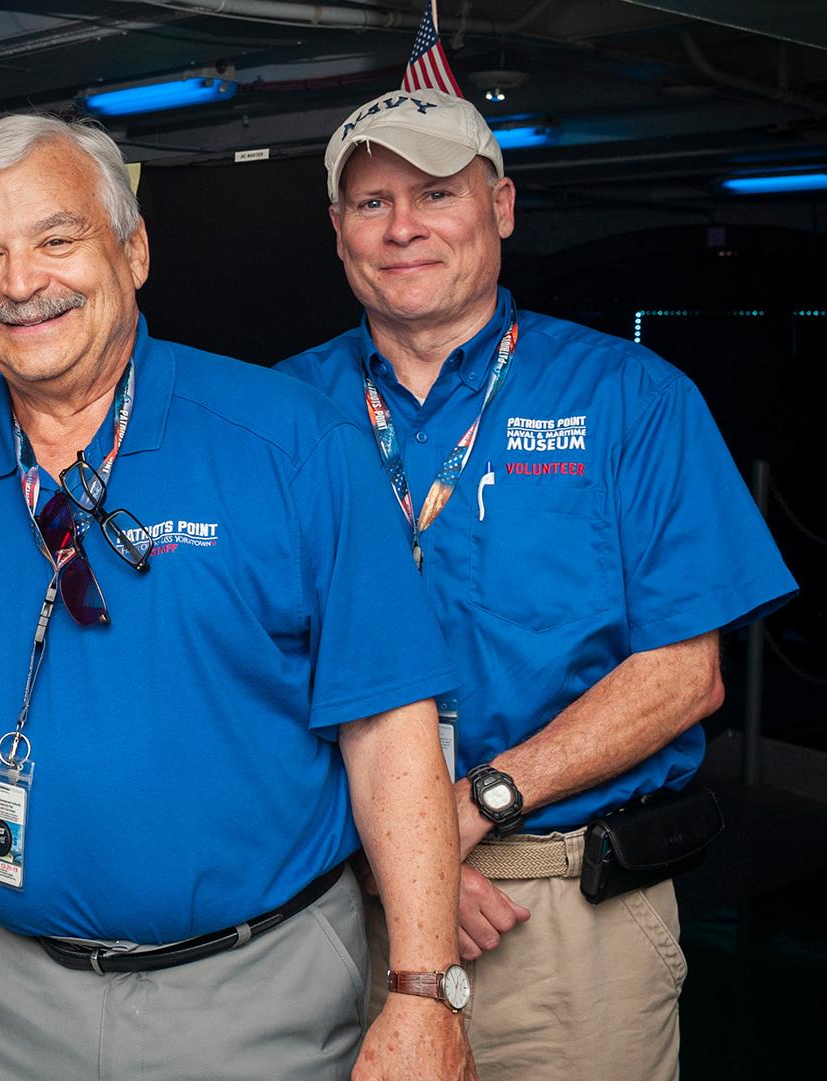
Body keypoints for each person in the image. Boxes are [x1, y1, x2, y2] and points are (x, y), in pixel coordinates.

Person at [0, 113, 475, 1081]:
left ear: (131, 250)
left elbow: (389, 732)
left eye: (56, 240)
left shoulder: (295, 446)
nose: (20, 283)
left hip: (255, 1002)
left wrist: (424, 989)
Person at [277, 87, 797, 1080]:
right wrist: (390, 854)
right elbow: (242, 667)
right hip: (334, 904)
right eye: (372, 203)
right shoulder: (278, 412)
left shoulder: (631, 399)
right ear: (338, 230)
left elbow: (685, 676)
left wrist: (473, 807)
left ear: (502, 208)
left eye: (435, 193)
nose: (403, 228)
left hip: (553, 916)